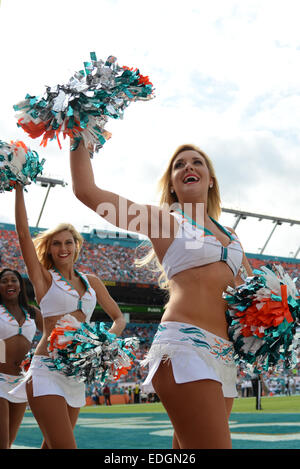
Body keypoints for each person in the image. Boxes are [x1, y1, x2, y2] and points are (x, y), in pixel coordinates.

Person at [69, 141, 253, 449]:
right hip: (186, 347)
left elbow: (250, 295)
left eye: (197, 162)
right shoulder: (165, 220)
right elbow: (87, 191)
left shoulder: (232, 236)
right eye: (179, 165)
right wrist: (77, 129)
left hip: (225, 355)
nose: (188, 167)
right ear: (171, 183)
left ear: (211, 180)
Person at [10, 183, 126, 449]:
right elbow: (24, 236)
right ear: (49, 249)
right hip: (46, 369)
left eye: (68, 242)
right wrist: (19, 190)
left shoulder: (93, 282)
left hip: (76, 374)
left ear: (77, 245)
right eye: (56, 244)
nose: (63, 248)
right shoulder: (44, 279)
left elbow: (118, 318)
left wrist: (103, 343)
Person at [0, 268, 42, 449]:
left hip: (20, 382)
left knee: (9, 442)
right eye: (4, 281)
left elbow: (53, 335)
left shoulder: (32, 312)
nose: (9, 283)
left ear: (20, 286)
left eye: (13, 280)